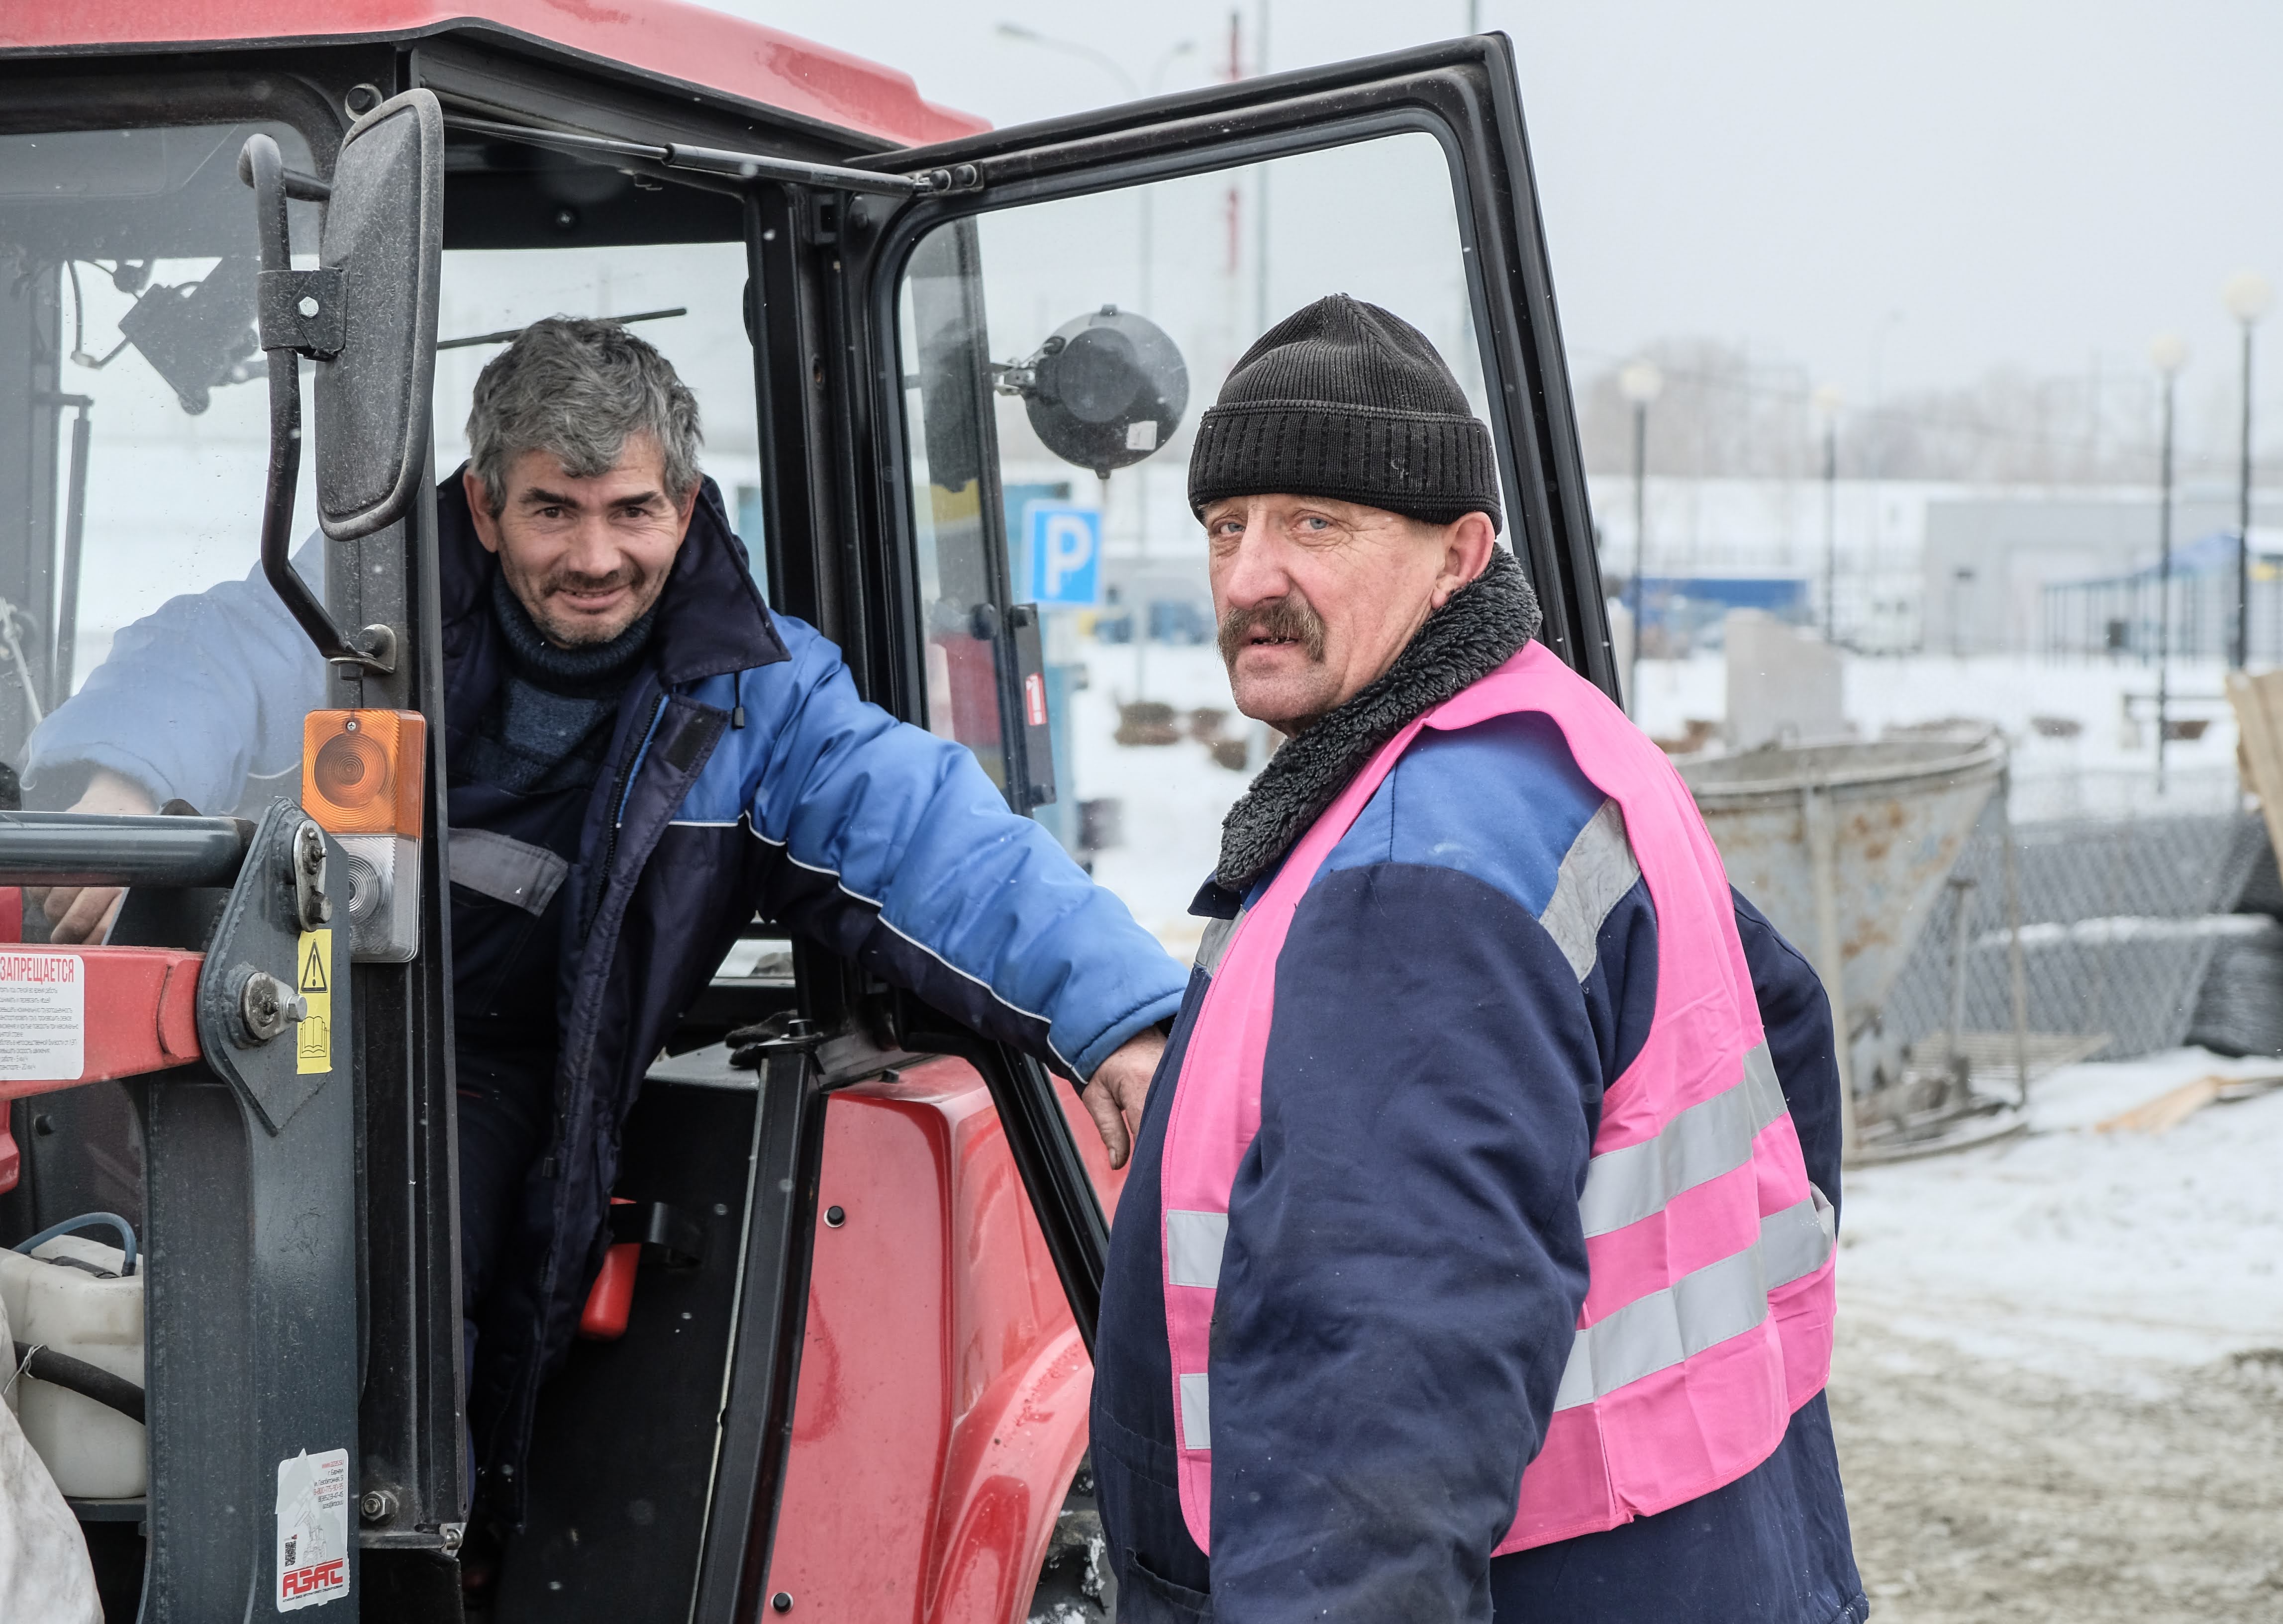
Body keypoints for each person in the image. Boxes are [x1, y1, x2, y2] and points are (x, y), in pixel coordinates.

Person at [20, 318, 1184, 1543]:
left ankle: (388, 1565)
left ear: (685, 502)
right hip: (290, 1029)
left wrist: (1117, 1014)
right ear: (483, 508)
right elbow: (219, 652)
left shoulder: (758, 700)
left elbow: (939, 840)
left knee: (389, 1291)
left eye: (632, 511)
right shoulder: (365, 614)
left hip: (489, 1065)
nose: (595, 557)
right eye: (553, 511)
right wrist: (124, 778)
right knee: (130, 1270)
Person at [1087, 295, 1867, 1623]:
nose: (1249, 577)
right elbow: (1782, 1030)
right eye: (1226, 526)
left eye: (1314, 525)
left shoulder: (1415, 873)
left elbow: (1374, 1401)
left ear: (1458, 555)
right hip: (1708, 1548)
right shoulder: (1561, 747)